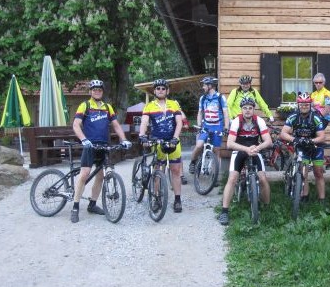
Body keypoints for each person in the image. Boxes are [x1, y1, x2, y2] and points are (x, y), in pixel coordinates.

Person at [71, 79, 131, 223]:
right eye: (94, 89)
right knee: (84, 174)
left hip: (103, 146)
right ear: (90, 92)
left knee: (100, 176)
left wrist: (123, 139)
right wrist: (84, 139)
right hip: (90, 146)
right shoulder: (85, 105)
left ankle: (92, 204)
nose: (97, 91)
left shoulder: (107, 107)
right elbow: (76, 125)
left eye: (99, 89)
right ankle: (75, 207)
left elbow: (116, 125)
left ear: (102, 92)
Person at [218, 97, 272, 225]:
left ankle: (267, 207)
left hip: (255, 149)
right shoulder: (237, 121)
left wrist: (257, 148)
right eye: (245, 108)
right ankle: (224, 211)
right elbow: (230, 144)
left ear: (253, 109)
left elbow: (268, 141)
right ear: (241, 109)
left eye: (250, 108)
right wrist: (246, 149)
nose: (247, 110)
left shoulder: (259, 121)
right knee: (232, 178)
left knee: (263, 178)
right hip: (240, 150)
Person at [138, 79, 185, 213]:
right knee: (158, 170)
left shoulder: (173, 104)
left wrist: (175, 138)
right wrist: (142, 135)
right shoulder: (149, 106)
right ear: (154, 91)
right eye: (158, 88)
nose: (160, 90)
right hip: (157, 141)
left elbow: (179, 122)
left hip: (173, 141)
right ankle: (157, 198)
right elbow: (144, 122)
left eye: (163, 88)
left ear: (167, 91)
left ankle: (177, 199)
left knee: (175, 170)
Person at [280, 92, 326, 203]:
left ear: (310, 105)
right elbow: (283, 133)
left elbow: (322, 137)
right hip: (301, 146)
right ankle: (305, 197)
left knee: (318, 172)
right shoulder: (293, 116)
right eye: (301, 104)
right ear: (298, 105)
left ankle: (322, 200)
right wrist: (294, 140)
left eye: (306, 104)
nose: (304, 107)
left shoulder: (316, 117)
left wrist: (310, 141)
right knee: (303, 172)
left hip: (316, 146)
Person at [189, 77, 229, 174]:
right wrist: (199, 125)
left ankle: (215, 175)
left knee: (217, 150)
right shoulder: (203, 98)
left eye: (204, 85)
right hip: (206, 126)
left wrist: (226, 128)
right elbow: (200, 112)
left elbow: (225, 114)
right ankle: (193, 162)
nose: (203, 87)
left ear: (210, 86)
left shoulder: (220, 97)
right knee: (199, 145)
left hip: (217, 126)